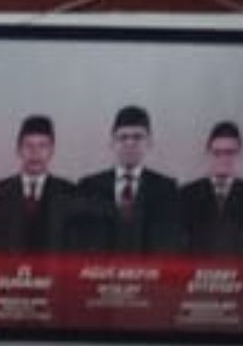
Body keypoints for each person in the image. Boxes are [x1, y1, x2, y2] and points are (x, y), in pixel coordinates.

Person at [75, 104, 178, 255]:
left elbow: (169, 242)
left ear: (149, 142)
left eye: (137, 137)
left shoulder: (167, 188)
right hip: (101, 268)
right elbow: (81, 240)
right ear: (112, 142)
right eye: (123, 137)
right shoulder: (88, 187)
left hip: (147, 268)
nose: (130, 143)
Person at [0, 114, 76, 254]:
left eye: (42, 146)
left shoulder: (70, 193)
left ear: (52, 151)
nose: (35, 153)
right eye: (29, 145)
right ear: (18, 150)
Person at [178, 120, 243, 258]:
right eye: (217, 153)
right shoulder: (185, 195)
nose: (223, 159)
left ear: (240, 154)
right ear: (207, 153)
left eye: (230, 153)